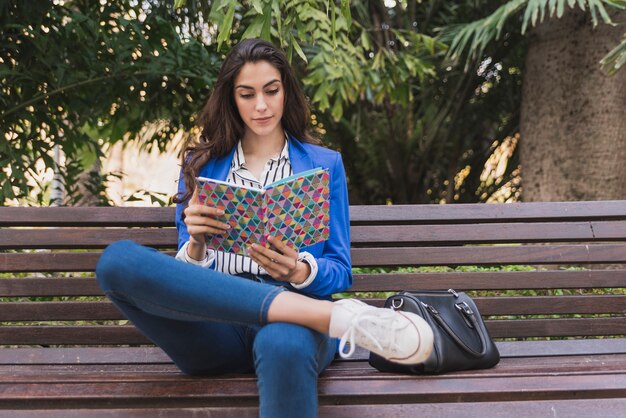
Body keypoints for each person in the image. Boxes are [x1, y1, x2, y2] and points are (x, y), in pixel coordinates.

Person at [96, 38, 434, 418]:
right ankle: (337, 319)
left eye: (271, 91)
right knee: (115, 261)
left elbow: (340, 269)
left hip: (293, 324)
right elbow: (185, 285)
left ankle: (313, 314)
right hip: (215, 328)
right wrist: (195, 245)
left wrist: (299, 271)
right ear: (231, 99)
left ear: (286, 91)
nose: (261, 105)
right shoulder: (201, 165)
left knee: (284, 344)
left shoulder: (323, 165)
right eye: (247, 94)